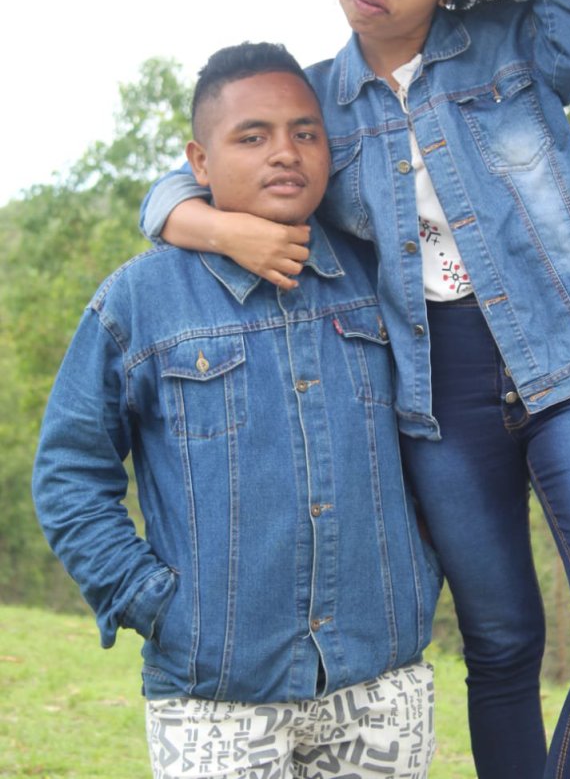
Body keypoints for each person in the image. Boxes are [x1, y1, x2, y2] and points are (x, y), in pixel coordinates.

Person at [139, 0, 570, 779]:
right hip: (438, 395)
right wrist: (222, 226)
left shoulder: (510, 43)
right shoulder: (315, 102)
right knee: (502, 640)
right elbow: (173, 187)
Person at [32, 41, 443, 779]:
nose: (284, 152)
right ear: (199, 160)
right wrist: (152, 602)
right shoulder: (140, 300)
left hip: (380, 681)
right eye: (252, 137)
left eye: (304, 132)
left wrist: (423, 570)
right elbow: (69, 473)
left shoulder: (380, 273)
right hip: (216, 693)